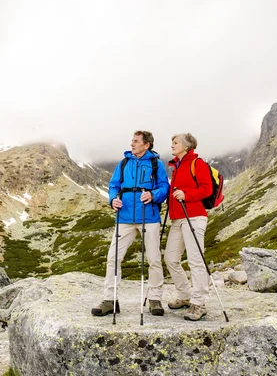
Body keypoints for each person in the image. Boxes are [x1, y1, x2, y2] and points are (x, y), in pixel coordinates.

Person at [91, 131, 169, 317]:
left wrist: (153, 195)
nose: (132, 144)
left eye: (136, 141)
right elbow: (114, 186)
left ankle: (155, 299)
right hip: (124, 218)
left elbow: (164, 187)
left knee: (153, 259)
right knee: (113, 258)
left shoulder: (156, 164)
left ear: (146, 144)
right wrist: (112, 200)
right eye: (132, 141)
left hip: (148, 217)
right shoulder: (124, 163)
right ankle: (110, 299)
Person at [164, 133, 213, 321]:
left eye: (175, 143)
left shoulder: (197, 163)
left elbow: (206, 188)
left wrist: (186, 195)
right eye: (172, 142)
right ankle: (185, 296)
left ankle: (199, 303)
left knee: (195, 259)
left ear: (186, 146)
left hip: (195, 217)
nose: (172, 145)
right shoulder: (176, 166)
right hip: (177, 219)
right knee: (170, 258)